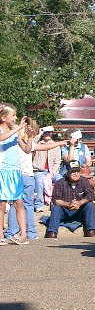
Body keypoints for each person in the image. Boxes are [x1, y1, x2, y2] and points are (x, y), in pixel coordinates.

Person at [5, 121, 66, 241]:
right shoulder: (22, 143)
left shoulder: (18, 143)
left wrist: (58, 143)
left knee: (17, 204)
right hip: (23, 175)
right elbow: (41, 145)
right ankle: (28, 232)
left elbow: (43, 146)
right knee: (23, 204)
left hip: (23, 175)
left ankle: (16, 231)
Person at [0, 104, 34, 245]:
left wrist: (30, 137)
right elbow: (1, 138)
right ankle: (1, 235)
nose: (15, 118)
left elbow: (26, 149)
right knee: (1, 204)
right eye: (13, 115)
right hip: (2, 170)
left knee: (19, 203)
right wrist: (17, 129)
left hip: (15, 171)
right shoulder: (3, 130)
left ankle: (23, 234)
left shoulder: (16, 131)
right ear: (3, 117)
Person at [45, 165, 95, 238]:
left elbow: (90, 196)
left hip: (79, 211)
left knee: (90, 205)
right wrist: (68, 204)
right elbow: (55, 200)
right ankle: (52, 232)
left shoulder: (84, 181)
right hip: (65, 211)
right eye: (73, 172)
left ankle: (90, 231)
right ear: (68, 172)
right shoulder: (60, 182)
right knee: (55, 208)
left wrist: (80, 202)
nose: (76, 174)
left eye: (78, 171)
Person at [32, 126, 63, 212]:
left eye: (49, 132)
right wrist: (39, 134)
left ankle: (56, 202)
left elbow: (57, 161)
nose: (47, 134)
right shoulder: (37, 143)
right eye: (45, 132)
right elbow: (30, 144)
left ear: (52, 133)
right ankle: (38, 205)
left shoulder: (55, 145)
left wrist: (52, 173)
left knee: (60, 181)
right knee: (39, 181)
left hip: (52, 171)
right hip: (39, 171)